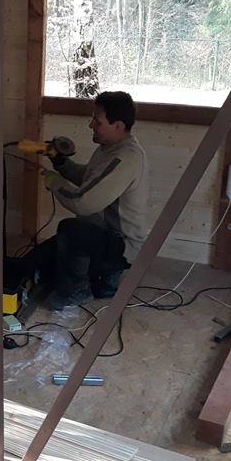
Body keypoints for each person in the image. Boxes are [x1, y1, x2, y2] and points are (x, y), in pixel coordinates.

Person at [35, 90, 149, 310]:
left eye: (97, 121)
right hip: (103, 233)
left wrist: (55, 182)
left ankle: (85, 288)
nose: (91, 125)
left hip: (121, 245)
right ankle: (98, 277)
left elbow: (84, 203)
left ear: (118, 126)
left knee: (70, 230)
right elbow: (88, 179)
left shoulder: (125, 158)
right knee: (38, 261)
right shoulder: (109, 149)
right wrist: (59, 162)